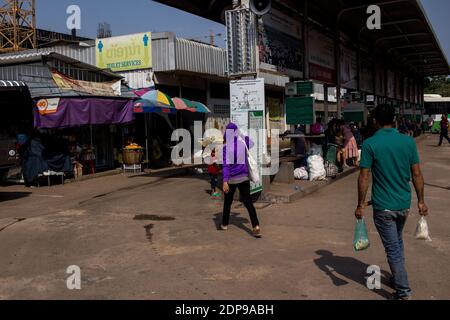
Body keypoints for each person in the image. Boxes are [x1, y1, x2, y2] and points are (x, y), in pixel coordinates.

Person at [355, 104, 429, 300]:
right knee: (397, 243)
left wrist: (360, 204)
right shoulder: (408, 142)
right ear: (394, 119)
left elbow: (364, 177)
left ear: (375, 121)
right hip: (403, 204)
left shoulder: (370, 144)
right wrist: (421, 201)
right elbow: (417, 174)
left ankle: (403, 292)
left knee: (393, 249)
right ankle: (397, 279)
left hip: (383, 206)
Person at [221, 123, 261, 238]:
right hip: (244, 178)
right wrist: (241, 134)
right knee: (248, 202)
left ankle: (224, 224)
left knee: (228, 202)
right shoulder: (242, 144)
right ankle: (256, 225)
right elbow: (251, 142)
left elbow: (226, 166)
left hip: (232, 179)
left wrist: (224, 181)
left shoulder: (225, 148)